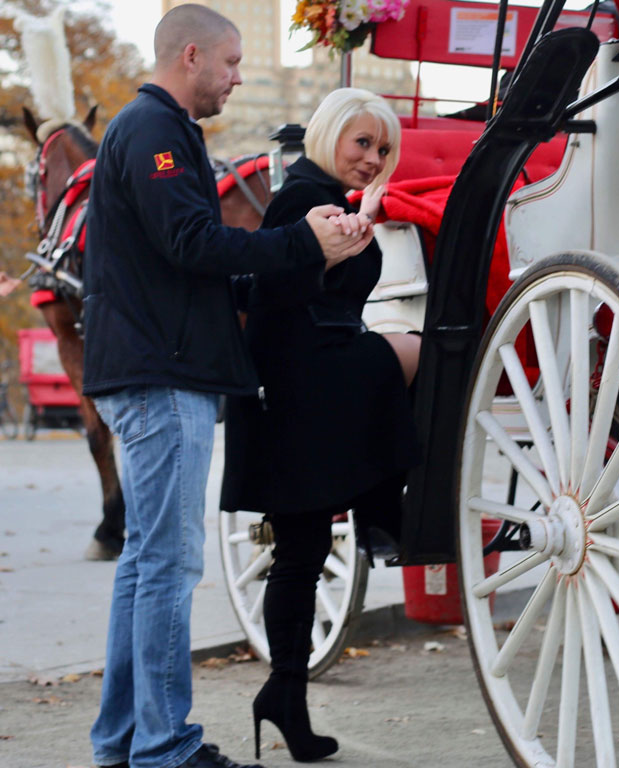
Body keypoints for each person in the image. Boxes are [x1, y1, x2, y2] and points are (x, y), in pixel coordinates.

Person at [82, 7, 374, 768]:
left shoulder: (157, 132)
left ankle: (123, 743)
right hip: (159, 377)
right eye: (233, 63)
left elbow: (187, 259)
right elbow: (192, 244)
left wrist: (296, 258)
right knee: (168, 565)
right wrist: (302, 240)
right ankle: (166, 748)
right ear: (191, 56)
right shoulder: (154, 132)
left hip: (151, 368)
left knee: (146, 564)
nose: (239, 78)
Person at [219, 88, 420, 763]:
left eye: (382, 149)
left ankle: (285, 696)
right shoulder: (302, 194)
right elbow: (266, 293)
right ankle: (387, 502)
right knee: (414, 352)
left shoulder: (321, 193)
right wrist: (322, 256)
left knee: (300, 557)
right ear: (332, 134)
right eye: (362, 143)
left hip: (308, 384)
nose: (373, 158)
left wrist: (333, 255)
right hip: (300, 387)